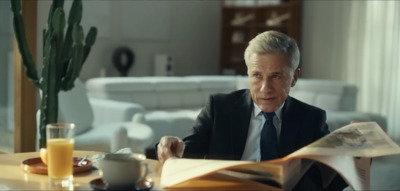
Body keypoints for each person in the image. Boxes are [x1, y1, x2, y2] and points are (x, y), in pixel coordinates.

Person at [157, 31, 347, 190]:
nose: (265, 88)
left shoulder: (311, 119)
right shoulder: (220, 108)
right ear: (248, 73)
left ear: (294, 77)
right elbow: (183, 154)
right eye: (257, 75)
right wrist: (170, 146)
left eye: (276, 76)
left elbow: (328, 181)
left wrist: (356, 157)